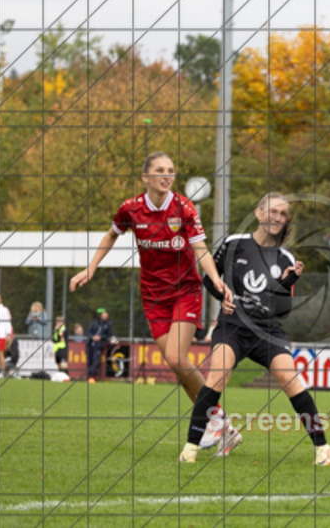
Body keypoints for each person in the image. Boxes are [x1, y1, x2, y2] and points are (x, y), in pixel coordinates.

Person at [70, 151, 235, 447]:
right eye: (160, 170)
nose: (167, 175)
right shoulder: (130, 209)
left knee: (175, 357)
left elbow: (201, 250)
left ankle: (214, 421)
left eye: (171, 170)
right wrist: (90, 267)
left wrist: (217, 280)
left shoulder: (183, 208)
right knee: (176, 365)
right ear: (145, 177)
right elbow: (111, 235)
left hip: (185, 290)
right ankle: (219, 422)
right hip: (153, 296)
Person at [180, 193, 330, 466]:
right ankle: (190, 449)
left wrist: (287, 282)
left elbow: (282, 309)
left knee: (291, 381)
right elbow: (209, 278)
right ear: (259, 213)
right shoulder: (233, 244)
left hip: (267, 331)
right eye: (273, 211)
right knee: (217, 377)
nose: (277, 217)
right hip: (233, 327)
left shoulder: (286, 257)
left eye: (283, 214)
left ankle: (323, 449)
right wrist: (223, 297)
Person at [86, 308, 113, 383]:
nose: (106, 316)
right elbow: (88, 331)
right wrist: (92, 337)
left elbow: (109, 335)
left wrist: (101, 337)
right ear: (101, 315)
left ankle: (91, 376)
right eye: (104, 314)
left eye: (106, 314)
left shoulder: (108, 324)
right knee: (89, 360)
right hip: (90, 344)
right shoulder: (95, 323)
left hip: (99, 345)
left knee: (95, 360)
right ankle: (88, 376)